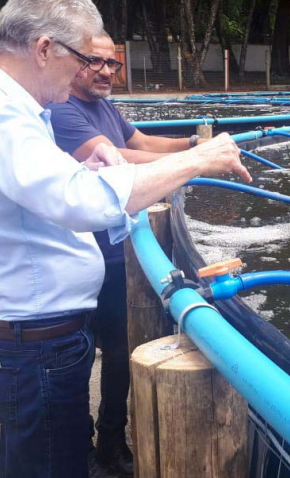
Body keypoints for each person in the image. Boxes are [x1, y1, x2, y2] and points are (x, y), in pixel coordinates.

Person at [0, 0, 250, 478]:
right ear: (44, 49)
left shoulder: (13, 109)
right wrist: (199, 159)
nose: (87, 72)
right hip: (36, 345)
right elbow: (79, 203)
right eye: (82, 58)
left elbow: (48, 190)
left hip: (40, 339)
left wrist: (91, 167)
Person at [48, 32, 199, 476]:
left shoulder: (104, 106)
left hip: (123, 252)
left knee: (121, 348)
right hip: (97, 257)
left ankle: (108, 438)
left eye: (112, 64)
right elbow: (121, 161)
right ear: (70, 60)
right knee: (115, 349)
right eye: (94, 62)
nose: (106, 71)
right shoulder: (63, 112)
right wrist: (199, 161)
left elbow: (145, 143)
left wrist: (193, 145)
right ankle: (106, 444)